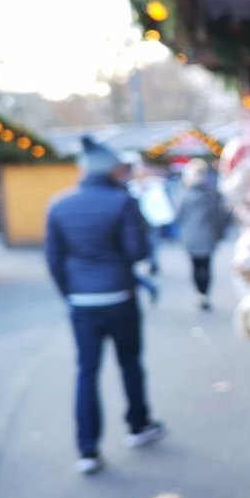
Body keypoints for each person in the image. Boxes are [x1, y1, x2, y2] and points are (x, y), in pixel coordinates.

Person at [45, 136, 164, 475]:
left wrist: (70, 292)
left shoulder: (58, 204)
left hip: (82, 301)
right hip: (120, 296)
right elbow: (137, 252)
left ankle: (88, 449)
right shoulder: (121, 201)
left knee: (86, 371)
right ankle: (138, 425)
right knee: (130, 363)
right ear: (111, 170)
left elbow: (53, 259)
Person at [176, 158, 225, 311]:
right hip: (208, 236)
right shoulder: (212, 195)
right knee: (206, 266)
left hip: (191, 237)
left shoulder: (184, 195)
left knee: (196, 266)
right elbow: (219, 217)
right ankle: (204, 294)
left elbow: (178, 215)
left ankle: (200, 294)